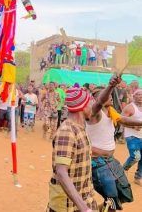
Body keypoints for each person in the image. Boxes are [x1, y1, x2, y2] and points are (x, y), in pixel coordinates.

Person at [86, 82, 142, 211]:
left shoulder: (110, 111)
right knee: (112, 200)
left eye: (111, 94)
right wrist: (111, 85)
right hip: (97, 163)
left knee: (123, 192)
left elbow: (124, 120)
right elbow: (99, 102)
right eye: (107, 95)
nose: (111, 97)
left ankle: (98, 209)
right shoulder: (94, 113)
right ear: (97, 99)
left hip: (110, 161)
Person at [47, 87, 98, 212]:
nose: (93, 106)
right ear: (83, 106)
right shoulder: (67, 131)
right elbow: (61, 172)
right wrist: (84, 208)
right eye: (91, 102)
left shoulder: (79, 128)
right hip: (68, 205)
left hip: (82, 197)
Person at [122, 89, 142, 186]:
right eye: (138, 94)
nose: (141, 96)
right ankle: (122, 170)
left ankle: (138, 177)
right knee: (136, 156)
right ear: (134, 96)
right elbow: (121, 121)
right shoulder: (129, 108)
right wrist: (133, 126)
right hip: (132, 136)